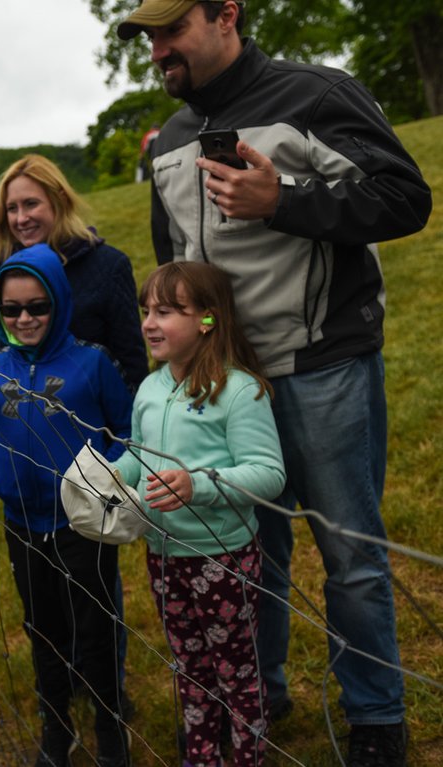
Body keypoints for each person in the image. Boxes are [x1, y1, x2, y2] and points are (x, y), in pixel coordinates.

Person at [116, 2, 433, 764]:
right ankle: (262, 694)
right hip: (225, 389)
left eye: (171, 30)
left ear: (226, 14)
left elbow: (405, 198)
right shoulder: (172, 140)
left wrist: (283, 202)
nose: (158, 50)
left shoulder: (318, 96)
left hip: (324, 365)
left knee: (349, 552)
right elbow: (179, 271)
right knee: (250, 550)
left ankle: (377, 719)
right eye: (148, 38)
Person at [0, 153, 148, 715]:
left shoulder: (106, 265)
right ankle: (59, 687)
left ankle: (107, 684)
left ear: (58, 201)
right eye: (10, 207)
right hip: (22, 447)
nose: (20, 216)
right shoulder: (0, 270)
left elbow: (131, 358)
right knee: (41, 592)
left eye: (30, 202)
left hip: (89, 449)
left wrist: (128, 448)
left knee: (94, 579)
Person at [105, 262, 285, 767]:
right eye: (146, 311)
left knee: (237, 672)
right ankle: (202, 758)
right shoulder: (150, 388)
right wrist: (106, 475)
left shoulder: (240, 390)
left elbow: (270, 474)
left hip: (222, 559)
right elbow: (138, 458)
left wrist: (199, 486)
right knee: (189, 667)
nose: (148, 323)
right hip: (163, 556)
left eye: (166, 311)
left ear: (207, 320)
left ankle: (249, 756)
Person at [0, 243, 134, 767]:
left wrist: (101, 476)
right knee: (43, 630)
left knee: (96, 631)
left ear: (58, 302)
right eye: (12, 309)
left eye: (37, 306)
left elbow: (125, 431)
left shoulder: (92, 364)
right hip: (22, 524)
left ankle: (110, 729)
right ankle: (56, 728)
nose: (25, 318)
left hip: (82, 525)